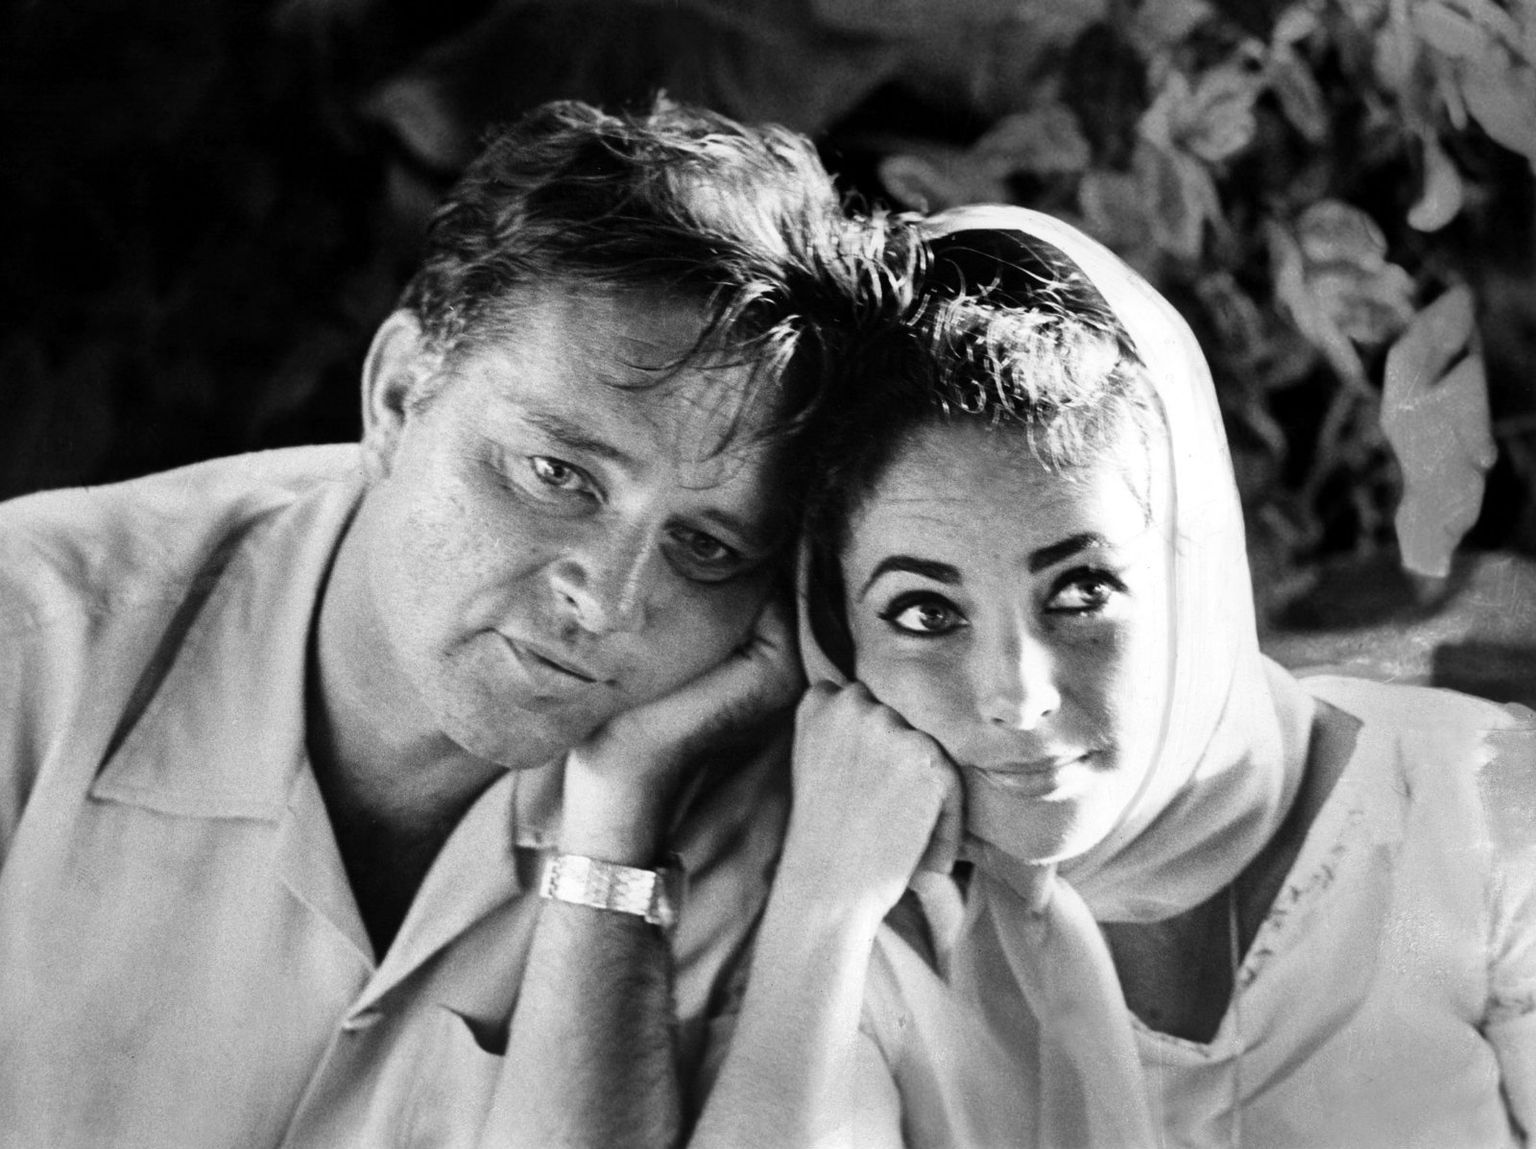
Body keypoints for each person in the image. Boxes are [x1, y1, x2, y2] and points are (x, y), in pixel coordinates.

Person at [0, 98, 892, 1147]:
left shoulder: (761, 809)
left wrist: (619, 821)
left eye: (705, 546)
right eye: (557, 474)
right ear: (397, 395)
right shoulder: (29, 642)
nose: (609, 602)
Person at [691, 205, 1536, 1148]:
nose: (1017, 695)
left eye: (1082, 591)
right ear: (840, 639)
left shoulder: (1476, 806)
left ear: (1190, 569)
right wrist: (822, 914)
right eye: (925, 613)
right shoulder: (868, 924)